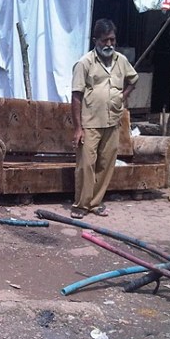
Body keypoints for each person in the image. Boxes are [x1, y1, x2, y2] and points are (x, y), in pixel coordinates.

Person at [70, 19, 138, 219]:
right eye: (104, 40)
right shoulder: (85, 63)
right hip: (90, 123)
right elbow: (76, 96)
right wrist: (78, 128)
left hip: (113, 121)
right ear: (96, 40)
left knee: (106, 164)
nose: (109, 44)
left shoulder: (121, 60)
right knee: (86, 165)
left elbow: (133, 80)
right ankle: (81, 205)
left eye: (112, 40)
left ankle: (95, 203)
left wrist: (122, 96)